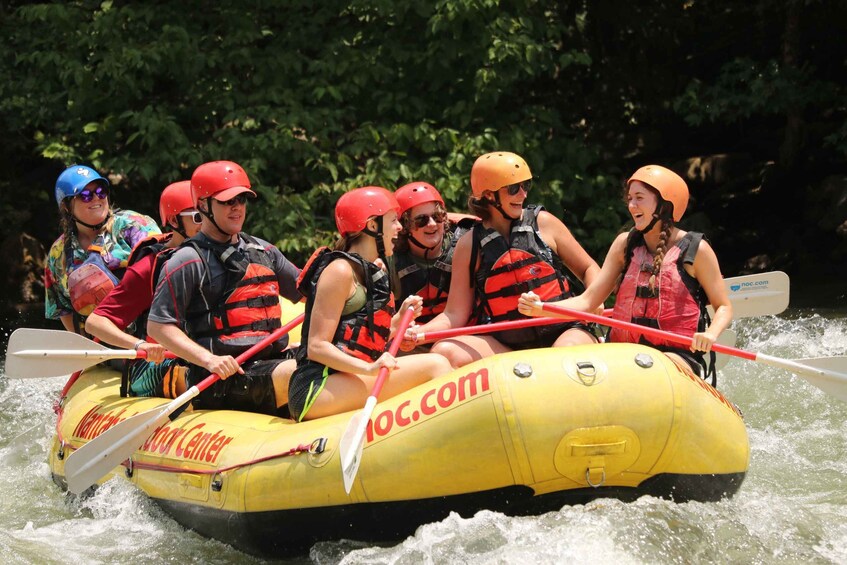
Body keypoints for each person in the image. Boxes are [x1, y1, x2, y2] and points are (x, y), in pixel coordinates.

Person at [518, 164, 733, 382]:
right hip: (624, 354)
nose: (631, 205)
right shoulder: (625, 244)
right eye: (630, 198)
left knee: (652, 372)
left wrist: (710, 334)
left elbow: (723, 305)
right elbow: (588, 301)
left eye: (639, 198)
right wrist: (542, 308)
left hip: (676, 357)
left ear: (665, 205)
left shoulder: (696, 250)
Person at [407, 151, 600, 368]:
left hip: (565, 330)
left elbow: (588, 267)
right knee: (446, 351)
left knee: (562, 354)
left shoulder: (543, 223)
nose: (523, 195)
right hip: (509, 345)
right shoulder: (469, 245)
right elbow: (454, 314)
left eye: (525, 186)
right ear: (489, 195)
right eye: (513, 189)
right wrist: (417, 333)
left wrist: (595, 298)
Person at [147, 161, 301, 416]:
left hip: (270, 361)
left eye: (241, 199)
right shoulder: (187, 261)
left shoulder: (264, 251)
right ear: (204, 206)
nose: (237, 207)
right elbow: (158, 326)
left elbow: (310, 291)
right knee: (298, 374)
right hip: (219, 376)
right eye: (228, 201)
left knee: (324, 363)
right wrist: (210, 360)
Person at [288, 186, 452, 422]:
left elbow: (361, 339)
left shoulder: (370, 270)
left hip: (344, 379)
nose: (399, 228)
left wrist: (398, 321)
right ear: (372, 225)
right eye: (394, 220)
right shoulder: (340, 271)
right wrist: (369, 369)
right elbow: (317, 346)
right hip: (316, 388)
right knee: (436, 365)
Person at [85, 181, 201, 398]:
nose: (208, 223)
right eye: (198, 217)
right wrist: (139, 345)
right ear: (175, 221)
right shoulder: (151, 266)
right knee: (198, 373)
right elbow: (96, 322)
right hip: (159, 364)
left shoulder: (228, 256)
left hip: (207, 356)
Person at [45, 165, 161, 333]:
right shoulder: (58, 252)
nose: (96, 199)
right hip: (97, 345)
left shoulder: (135, 225)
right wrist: (85, 347)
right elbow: (63, 309)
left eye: (101, 191)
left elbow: (165, 277)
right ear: (66, 207)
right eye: (85, 195)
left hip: (146, 336)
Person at [390, 181, 477, 324]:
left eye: (437, 216)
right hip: (409, 342)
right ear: (405, 226)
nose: (431, 224)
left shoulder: (467, 244)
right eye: (421, 220)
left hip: (463, 338)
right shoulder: (390, 259)